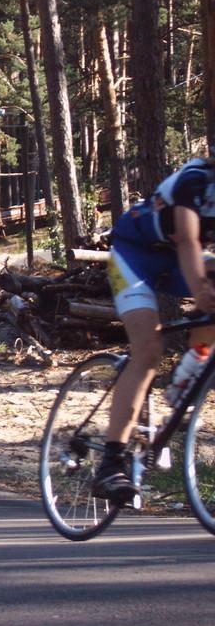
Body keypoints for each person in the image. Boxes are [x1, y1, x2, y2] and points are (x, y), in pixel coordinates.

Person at [99, 158, 215, 503]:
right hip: (134, 256)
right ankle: (111, 462)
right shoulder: (194, 181)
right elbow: (189, 243)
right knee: (148, 349)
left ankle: (188, 376)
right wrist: (201, 292)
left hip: (179, 260)